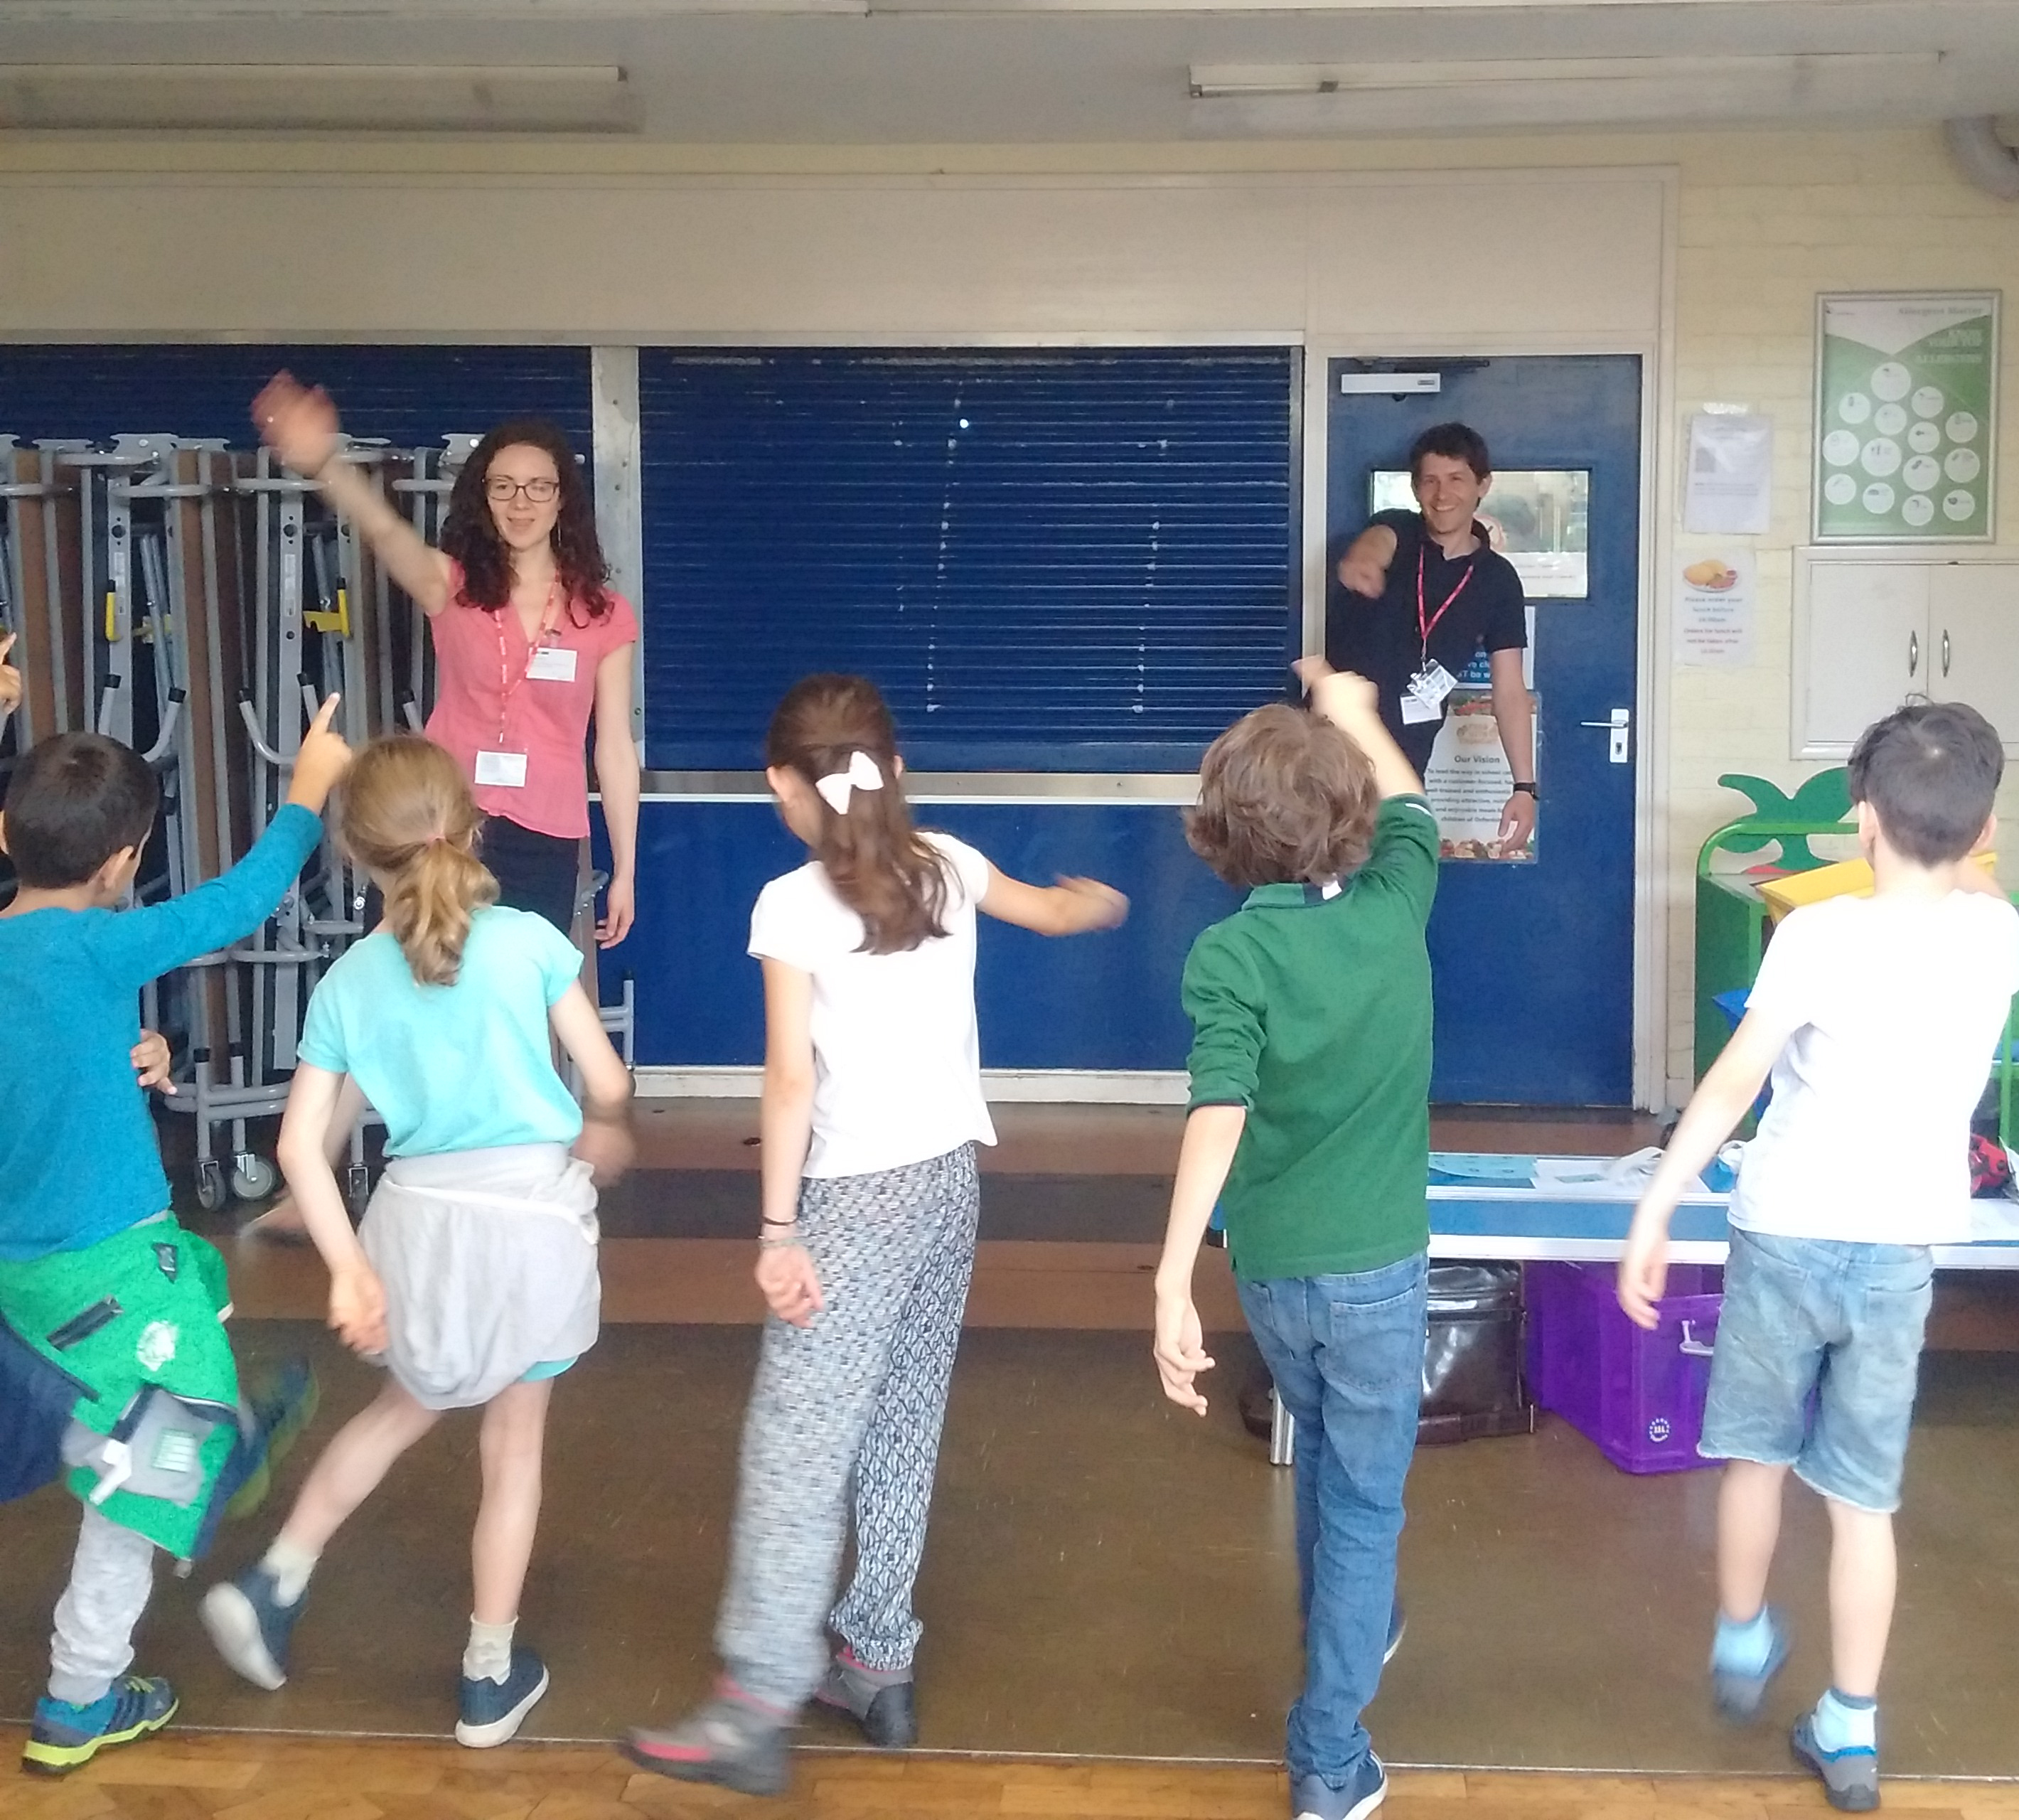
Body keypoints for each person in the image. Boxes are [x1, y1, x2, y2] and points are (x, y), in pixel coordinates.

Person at [622, 674, 1128, 1797]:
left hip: (852, 1200)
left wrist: (775, 1228)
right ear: (895, 770)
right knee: (903, 1419)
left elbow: (791, 1077)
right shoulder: (947, 862)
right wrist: (1093, 903)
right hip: (952, 1185)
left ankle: (753, 1701)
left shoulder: (791, 904)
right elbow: (1048, 909)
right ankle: (876, 1657)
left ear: (780, 788)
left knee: (797, 1445)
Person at [1619, 701, 2019, 1814]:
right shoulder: (2000, 937)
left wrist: (1659, 1201)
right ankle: (1852, 1726)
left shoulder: (1819, 935)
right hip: (1900, 1250)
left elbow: (1738, 1081)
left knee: (1754, 1456)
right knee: (1862, 1501)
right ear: (1984, 827)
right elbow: (1979, 890)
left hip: (1785, 1228)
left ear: (1862, 819)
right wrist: (1973, 855)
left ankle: (1743, 1641)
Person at [199, 734, 635, 1749]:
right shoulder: (528, 940)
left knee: (403, 1408)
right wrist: (604, 1124)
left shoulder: (348, 982)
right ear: (471, 826)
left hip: (417, 1228)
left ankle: (275, 1582)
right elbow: (605, 1083)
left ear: (356, 857)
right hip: (531, 1219)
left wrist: (351, 1270)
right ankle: (489, 1677)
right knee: (513, 1442)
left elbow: (301, 1147)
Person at [0, 700, 350, 1774]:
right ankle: (79, 1697)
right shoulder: (107, 946)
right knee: (141, 1483)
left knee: (171, 1347)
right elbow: (240, 902)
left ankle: (222, 1435)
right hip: (112, 1261)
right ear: (124, 862)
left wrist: (128, 1053)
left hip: (26, 1284)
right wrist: (306, 793)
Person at [1153, 660, 1437, 1820]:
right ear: (1351, 819)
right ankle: (1329, 1757)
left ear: (1221, 839)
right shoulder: (1398, 900)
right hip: (1380, 1275)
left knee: (1322, 1450)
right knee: (1364, 1499)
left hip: (1274, 1276)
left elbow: (1217, 1114)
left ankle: (1351, 1632)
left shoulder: (1228, 956)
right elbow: (1411, 804)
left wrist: (1173, 1280)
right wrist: (1358, 711)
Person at [250, 373, 640, 946]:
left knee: (513, 997)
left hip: (545, 836)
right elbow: (383, 529)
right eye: (504, 487)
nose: (521, 503)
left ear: (563, 500)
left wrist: (625, 869)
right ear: (484, 497)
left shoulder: (604, 614)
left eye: (538, 487)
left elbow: (613, 748)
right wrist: (326, 463)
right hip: (437, 825)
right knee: (407, 983)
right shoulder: (451, 586)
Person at [1328, 422, 1535, 854]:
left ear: (1483, 485)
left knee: (1386, 881)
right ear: (1415, 488)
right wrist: (1364, 562)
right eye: (1430, 482)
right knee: (1319, 878)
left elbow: (1510, 690)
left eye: (1457, 480)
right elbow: (1376, 542)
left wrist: (1524, 787)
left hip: (1402, 765)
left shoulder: (1497, 580)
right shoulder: (1400, 530)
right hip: (1328, 751)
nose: (1443, 496)